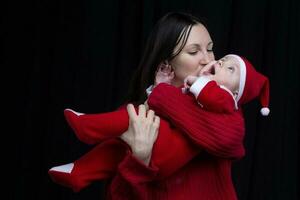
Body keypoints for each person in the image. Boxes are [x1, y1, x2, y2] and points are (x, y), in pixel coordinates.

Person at [49, 12, 265, 199]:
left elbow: (229, 141)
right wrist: (139, 159)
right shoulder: (136, 113)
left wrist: (162, 96)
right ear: (167, 61)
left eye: (210, 49)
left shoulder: (223, 110)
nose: (208, 59)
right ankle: (82, 158)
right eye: (193, 51)